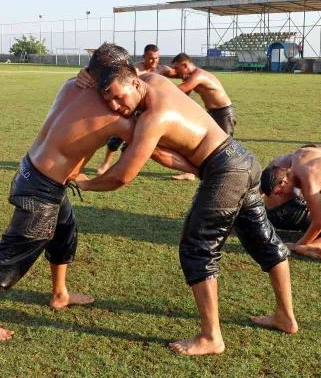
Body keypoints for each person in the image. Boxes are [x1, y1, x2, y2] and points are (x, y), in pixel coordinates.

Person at [76, 45, 296, 356]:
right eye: (108, 99)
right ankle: (285, 317)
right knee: (263, 239)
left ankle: (211, 337)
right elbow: (165, 151)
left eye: (117, 97)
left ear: (134, 83)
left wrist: (85, 183)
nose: (114, 105)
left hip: (226, 169)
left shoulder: (153, 118)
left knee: (197, 247)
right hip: (242, 159)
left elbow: (121, 177)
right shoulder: (153, 80)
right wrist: (88, 74)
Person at [0, 62, 196, 342]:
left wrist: (85, 73)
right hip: (42, 188)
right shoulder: (117, 118)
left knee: (64, 233)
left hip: (35, 171)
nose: (114, 102)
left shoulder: (71, 86)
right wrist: (199, 166)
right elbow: (153, 152)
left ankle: (60, 294)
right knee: (17, 248)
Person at [95, 44, 176, 174]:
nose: (154, 61)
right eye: (151, 58)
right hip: (130, 108)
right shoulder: (135, 70)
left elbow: (179, 73)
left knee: (135, 142)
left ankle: (121, 166)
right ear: (144, 57)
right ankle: (106, 163)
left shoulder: (162, 69)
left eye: (157, 58)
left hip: (149, 110)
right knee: (116, 138)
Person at [168, 53, 235, 180]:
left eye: (177, 68)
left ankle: (230, 171)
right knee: (201, 143)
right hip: (212, 113)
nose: (176, 72)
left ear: (185, 65)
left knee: (225, 146)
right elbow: (183, 95)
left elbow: (179, 90)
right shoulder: (191, 77)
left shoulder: (199, 75)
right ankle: (190, 173)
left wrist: (161, 90)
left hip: (224, 113)